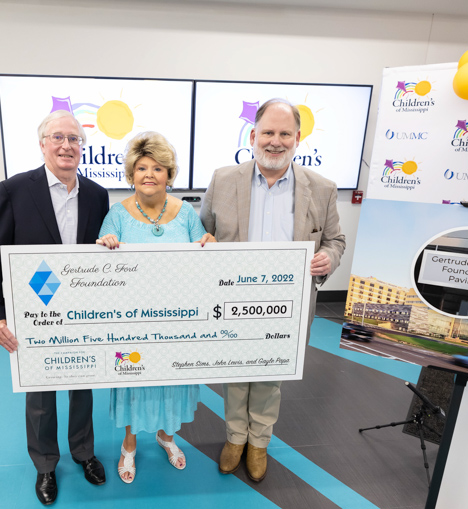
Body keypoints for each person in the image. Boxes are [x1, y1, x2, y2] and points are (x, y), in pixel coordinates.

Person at [200, 99, 345, 482]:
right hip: (231, 300)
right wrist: (205, 245)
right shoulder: (223, 180)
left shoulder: (323, 189)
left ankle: (259, 442)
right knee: (235, 372)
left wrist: (328, 259)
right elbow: (202, 231)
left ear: (298, 138)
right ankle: (234, 438)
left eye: (285, 134)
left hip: (287, 305)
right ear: (253, 136)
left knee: (269, 375)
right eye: (268, 132)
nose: (275, 142)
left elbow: (335, 241)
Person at [0, 110, 109, 505]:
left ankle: (84, 453)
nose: (67, 145)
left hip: (82, 311)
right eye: (58, 138)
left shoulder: (98, 195)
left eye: (74, 139)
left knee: (83, 384)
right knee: (40, 391)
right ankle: (45, 465)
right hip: (34, 310)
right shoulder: (15, 190)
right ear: (42, 144)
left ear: (82, 147)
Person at [96, 131, 215, 483]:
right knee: (134, 378)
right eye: (142, 168)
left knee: (171, 379)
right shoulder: (116, 215)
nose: (149, 174)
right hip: (130, 320)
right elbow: (100, 268)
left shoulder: (187, 214)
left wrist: (209, 243)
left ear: (169, 175)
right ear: (131, 174)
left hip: (177, 318)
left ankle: (166, 436)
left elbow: (203, 260)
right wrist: (104, 244)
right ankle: (129, 444)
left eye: (158, 168)